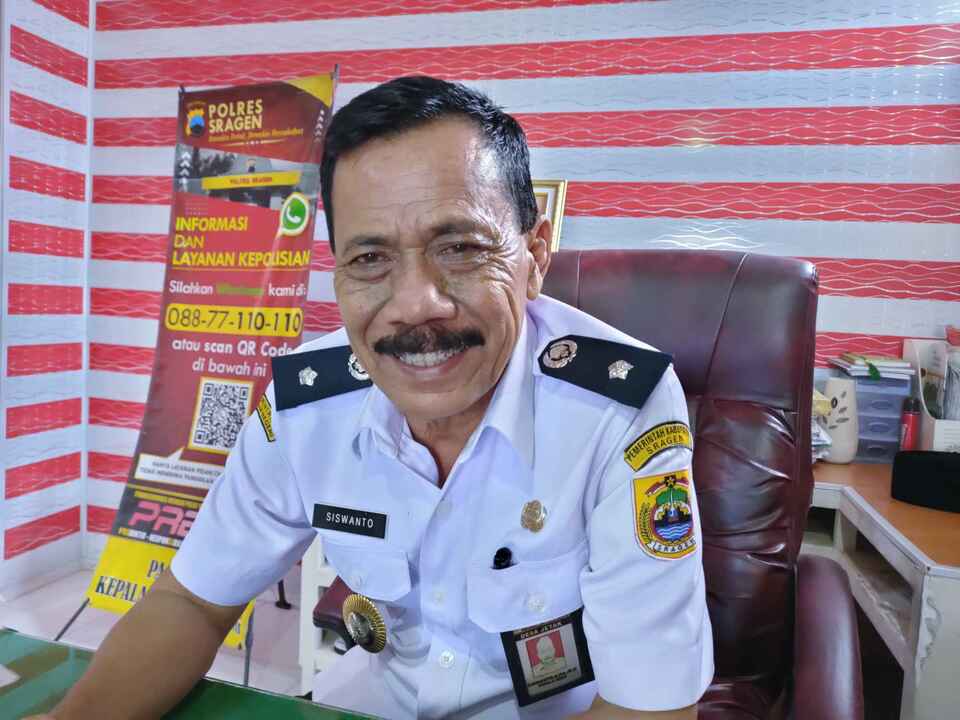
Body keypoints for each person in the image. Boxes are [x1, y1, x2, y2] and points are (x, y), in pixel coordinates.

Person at [35, 76, 712, 720]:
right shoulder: (307, 405)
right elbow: (192, 602)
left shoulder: (619, 409)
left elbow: (650, 706)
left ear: (535, 255)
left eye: (460, 247)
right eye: (369, 260)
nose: (415, 304)